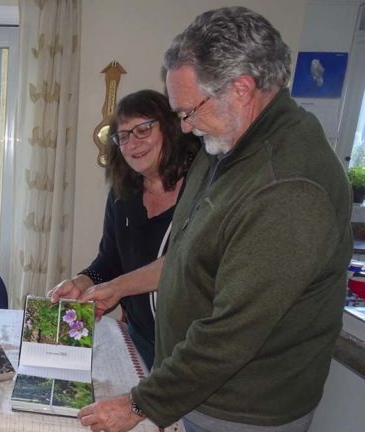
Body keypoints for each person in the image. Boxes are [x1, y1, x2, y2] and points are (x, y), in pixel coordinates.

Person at [76, 6, 352, 432]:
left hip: (243, 409)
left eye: (188, 111)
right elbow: (187, 256)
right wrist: (106, 285)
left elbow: (233, 332)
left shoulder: (286, 187)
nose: (185, 128)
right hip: (197, 389)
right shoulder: (226, 144)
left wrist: (138, 404)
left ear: (241, 89)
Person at [47, 89, 199, 370]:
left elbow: (186, 262)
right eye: (123, 136)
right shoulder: (122, 195)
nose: (132, 143)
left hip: (193, 350)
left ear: (170, 126)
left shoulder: (201, 186)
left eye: (143, 129)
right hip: (141, 340)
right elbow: (111, 260)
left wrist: (116, 288)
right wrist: (82, 283)